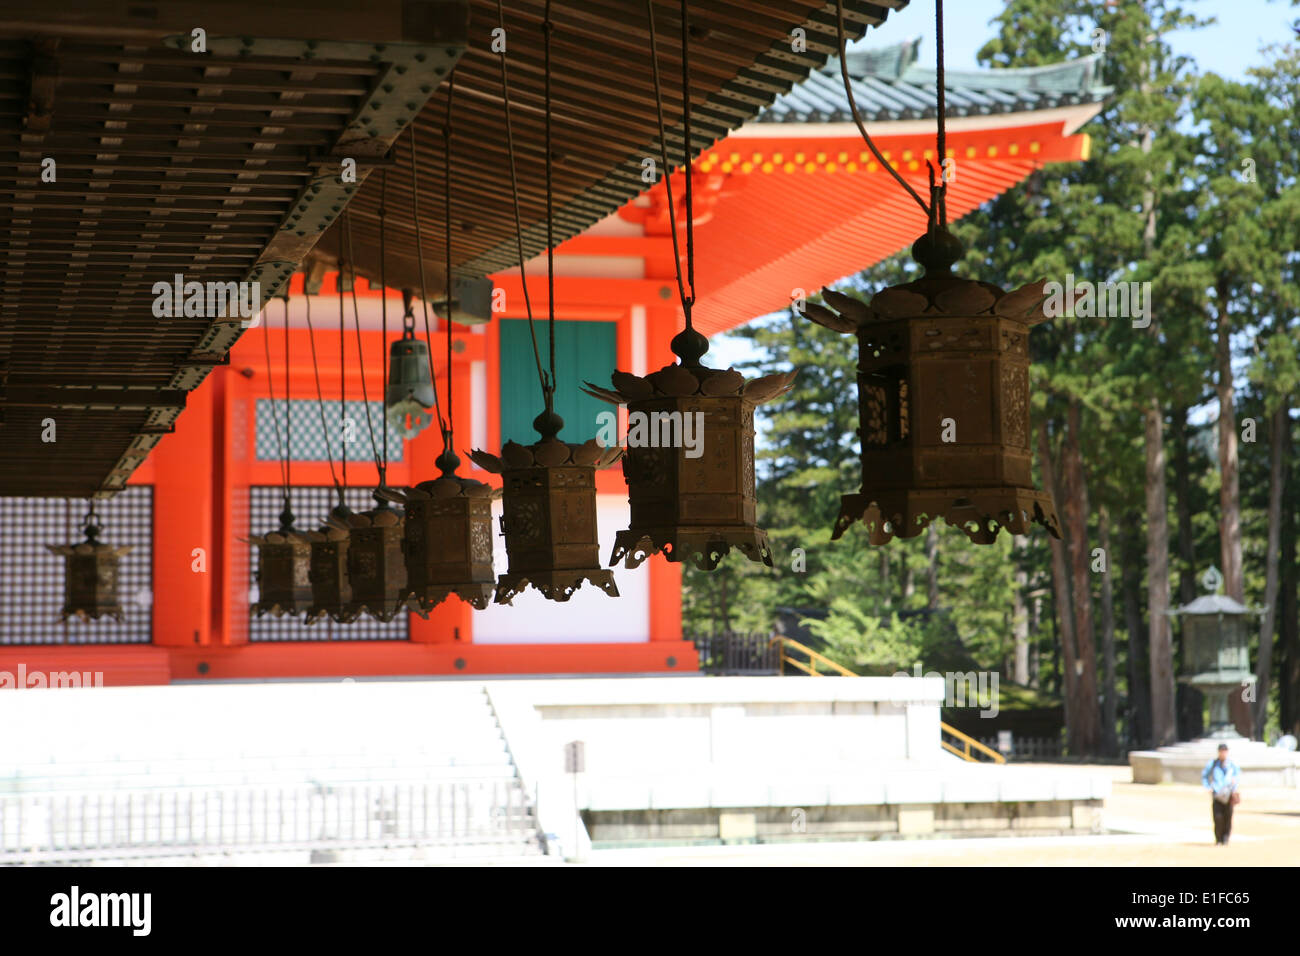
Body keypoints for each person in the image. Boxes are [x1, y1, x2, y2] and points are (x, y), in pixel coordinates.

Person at [1201, 743, 1241, 845]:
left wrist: (1235, 787)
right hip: (1217, 793)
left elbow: (1237, 777)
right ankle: (1218, 839)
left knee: (1228, 817)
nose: (1223, 753)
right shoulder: (1213, 764)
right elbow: (1205, 775)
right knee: (1218, 817)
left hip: (1228, 793)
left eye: (1225, 751)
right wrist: (1208, 786)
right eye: (1221, 751)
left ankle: (1226, 838)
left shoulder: (1232, 765)